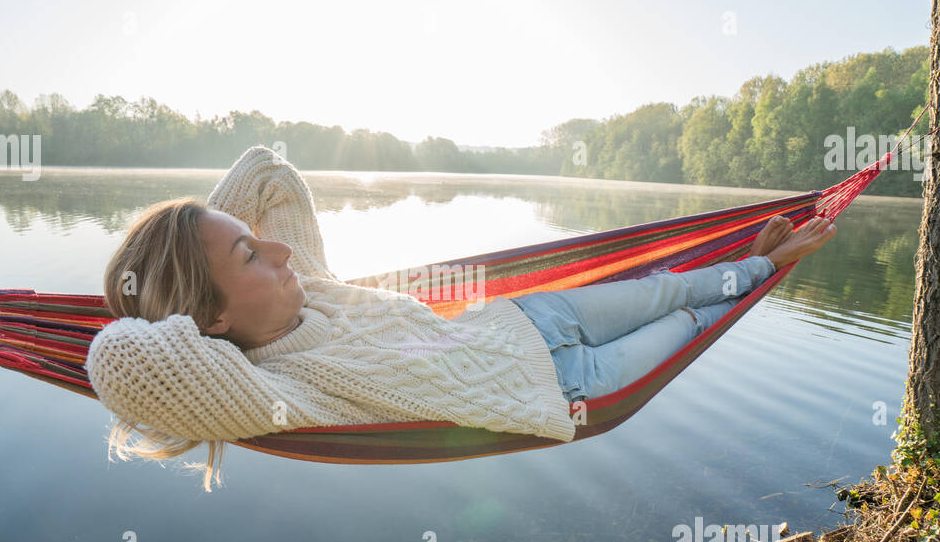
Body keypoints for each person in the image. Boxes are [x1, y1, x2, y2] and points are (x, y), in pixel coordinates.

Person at [86, 146, 835, 490]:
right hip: (569, 391)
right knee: (690, 328)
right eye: (252, 255)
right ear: (207, 322)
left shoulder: (311, 284)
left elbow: (267, 170)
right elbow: (120, 359)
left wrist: (195, 229)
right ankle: (763, 271)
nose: (279, 251)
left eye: (259, 240)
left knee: (670, 288)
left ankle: (758, 260)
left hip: (526, 318)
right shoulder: (276, 390)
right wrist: (154, 289)